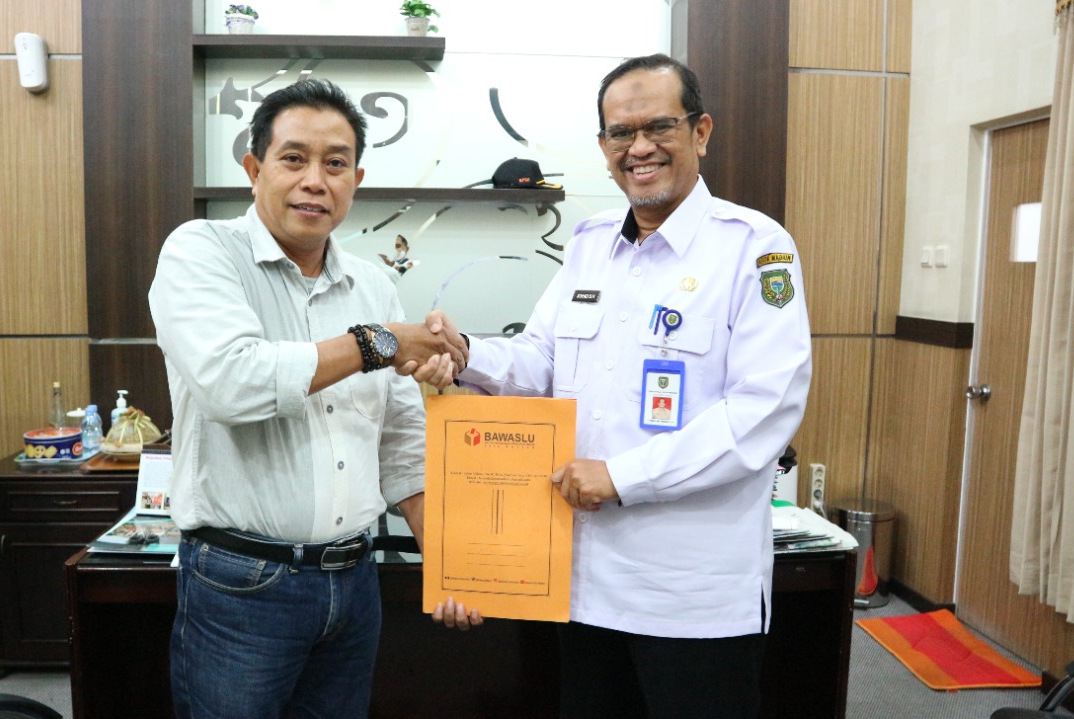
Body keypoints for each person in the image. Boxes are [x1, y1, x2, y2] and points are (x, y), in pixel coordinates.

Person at [421, 54, 812, 718]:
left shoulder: (754, 247)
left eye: (659, 126)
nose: (639, 147)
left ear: (700, 131)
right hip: (583, 586)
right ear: (603, 146)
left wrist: (623, 476)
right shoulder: (591, 242)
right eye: (620, 133)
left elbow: (763, 409)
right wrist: (465, 355)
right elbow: (542, 359)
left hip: (691, 599)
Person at [148, 79, 461, 719]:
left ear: (356, 180)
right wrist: (375, 343)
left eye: (335, 164)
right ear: (254, 169)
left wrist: (447, 557)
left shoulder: (373, 284)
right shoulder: (201, 251)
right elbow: (232, 382)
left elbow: (401, 437)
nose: (315, 181)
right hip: (242, 584)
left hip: (356, 582)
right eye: (294, 159)